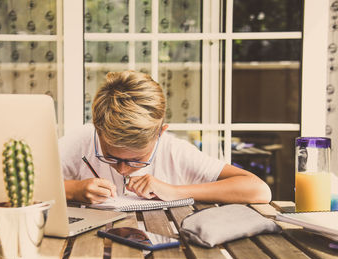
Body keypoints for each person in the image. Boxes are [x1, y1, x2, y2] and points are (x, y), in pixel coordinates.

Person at [59, 70, 272, 204]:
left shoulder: (174, 151)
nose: (122, 169)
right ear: (98, 129)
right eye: (110, 156)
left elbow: (259, 190)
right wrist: (73, 189)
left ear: (160, 133)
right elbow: (27, 188)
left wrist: (174, 191)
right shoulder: (84, 139)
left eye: (136, 159)